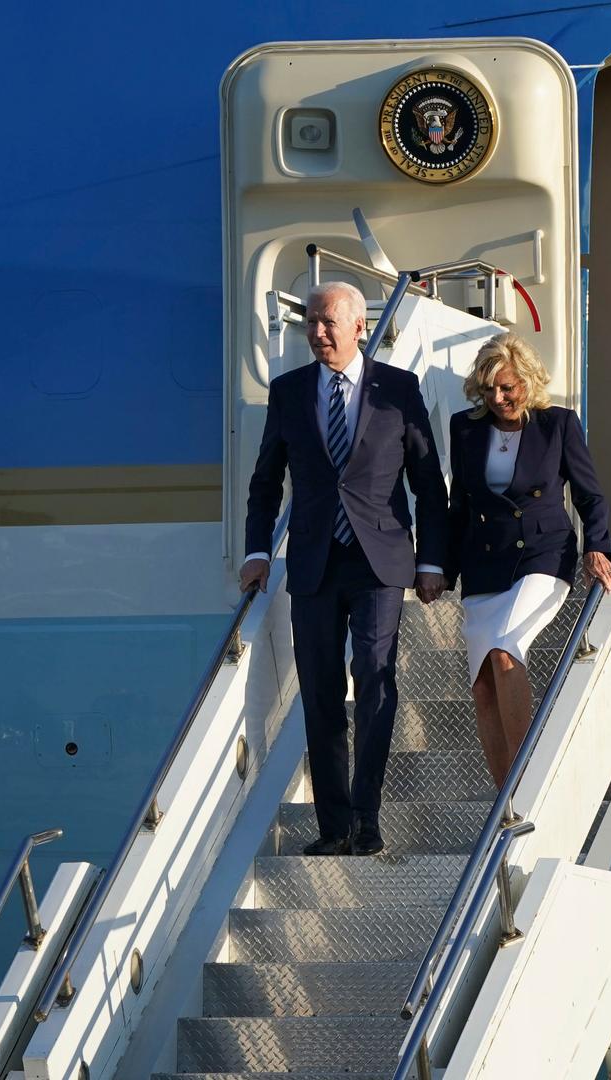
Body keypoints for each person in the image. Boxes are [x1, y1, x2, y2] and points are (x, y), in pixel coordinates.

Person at [242, 280, 448, 857]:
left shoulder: (398, 390)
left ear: (361, 326)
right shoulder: (288, 392)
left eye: (329, 322)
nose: (317, 332)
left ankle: (367, 817)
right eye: (310, 322)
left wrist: (431, 561)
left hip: (379, 560)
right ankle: (333, 827)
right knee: (321, 693)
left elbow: (428, 483)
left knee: (376, 682)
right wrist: (258, 551)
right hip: (312, 562)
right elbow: (265, 482)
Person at [443, 334, 611, 788]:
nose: (498, 398)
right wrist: (440, 567)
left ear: (528, 382)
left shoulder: (557, 424)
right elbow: (458, 505)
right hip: (485, 564)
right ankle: (506, 801)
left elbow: (590, 495)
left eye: (507, 388)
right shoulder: (465, 428)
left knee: (505, 649)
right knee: (482, 688)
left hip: (542, 555)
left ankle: (529, 779)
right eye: (489, 389)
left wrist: (597, 545)